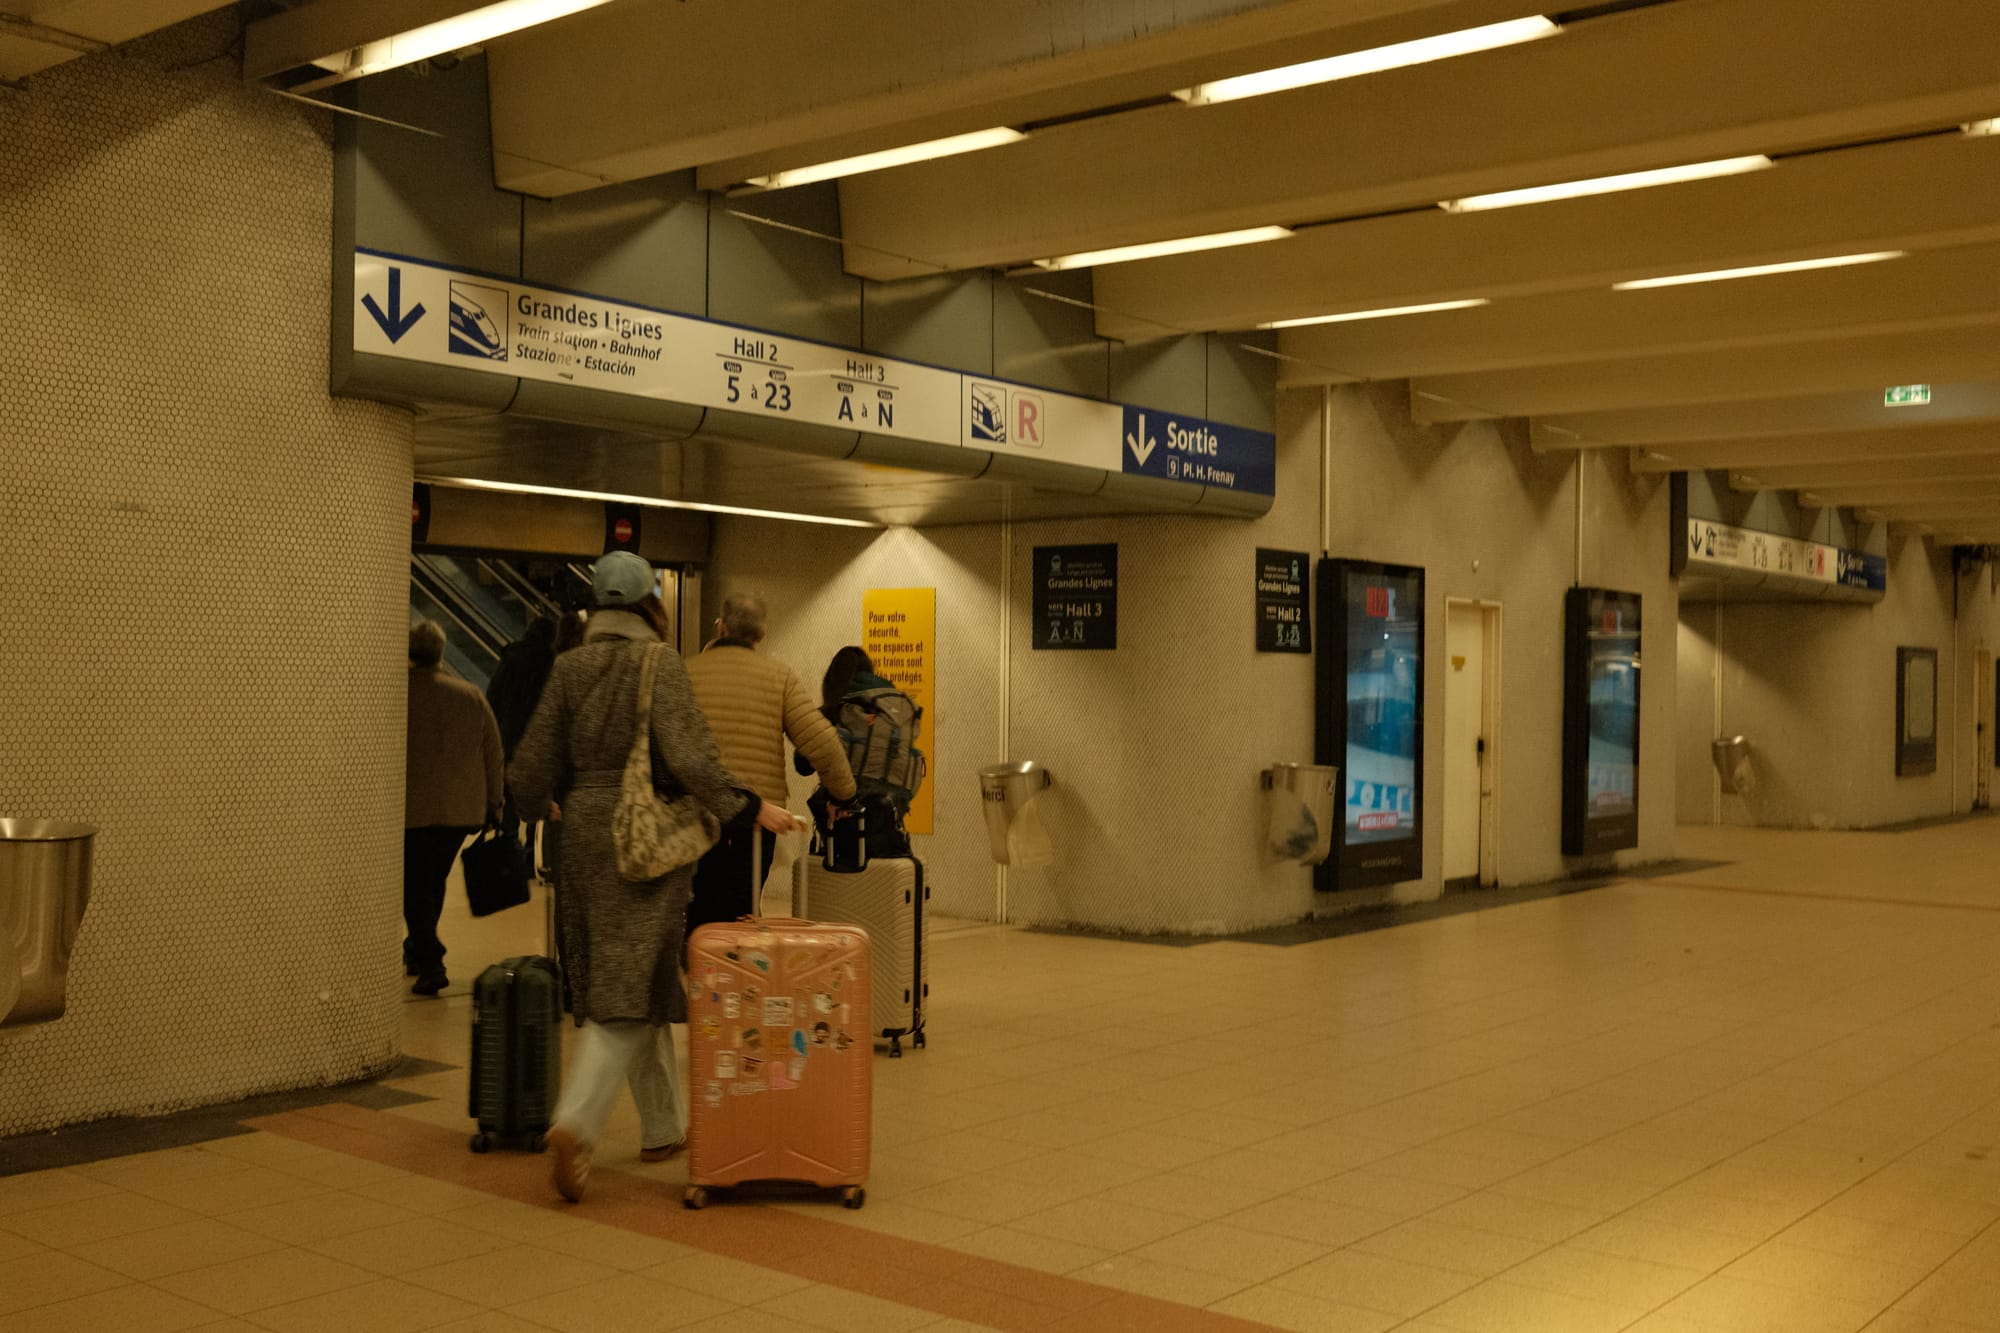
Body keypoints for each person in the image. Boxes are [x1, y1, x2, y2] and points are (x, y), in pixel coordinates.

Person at [508, 552, 799, 1201]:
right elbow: (692, 756)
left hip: (580, 835)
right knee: (632, 983)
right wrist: (749, 807)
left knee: (621, 976)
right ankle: (576, 1121)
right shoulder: (657, 662)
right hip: (644, 839)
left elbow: (528, 772)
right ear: (649, 606)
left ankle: (663, 1125)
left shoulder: (568, 664)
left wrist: (545, 804)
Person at [685, 594, 856, 935]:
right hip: (755, 822)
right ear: (761, 635)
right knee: (739, 920)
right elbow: (822, 742)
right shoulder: (779, 677)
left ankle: (696, 974)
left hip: (690, 818)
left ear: (721, 627)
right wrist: (845, 796)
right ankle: (733, 982)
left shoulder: (685, 671)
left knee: (695, 915)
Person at [404, 620, 505, 997]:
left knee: (415, 888)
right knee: (431, 882)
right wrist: (495, 802)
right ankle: (417, 947)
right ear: (441, 652)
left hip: (412, 811)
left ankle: (431, 960)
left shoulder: (399, 694)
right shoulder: (470, 694)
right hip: (460, 812)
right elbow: (493, 753)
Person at [485, 615, 558, 867]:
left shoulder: (511, 659)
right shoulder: (552, 663)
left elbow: (492, 697)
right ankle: (532, 851)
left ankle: (511, 849)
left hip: (509, 735)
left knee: (509, 795)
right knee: (537, 793)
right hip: (540, 739)